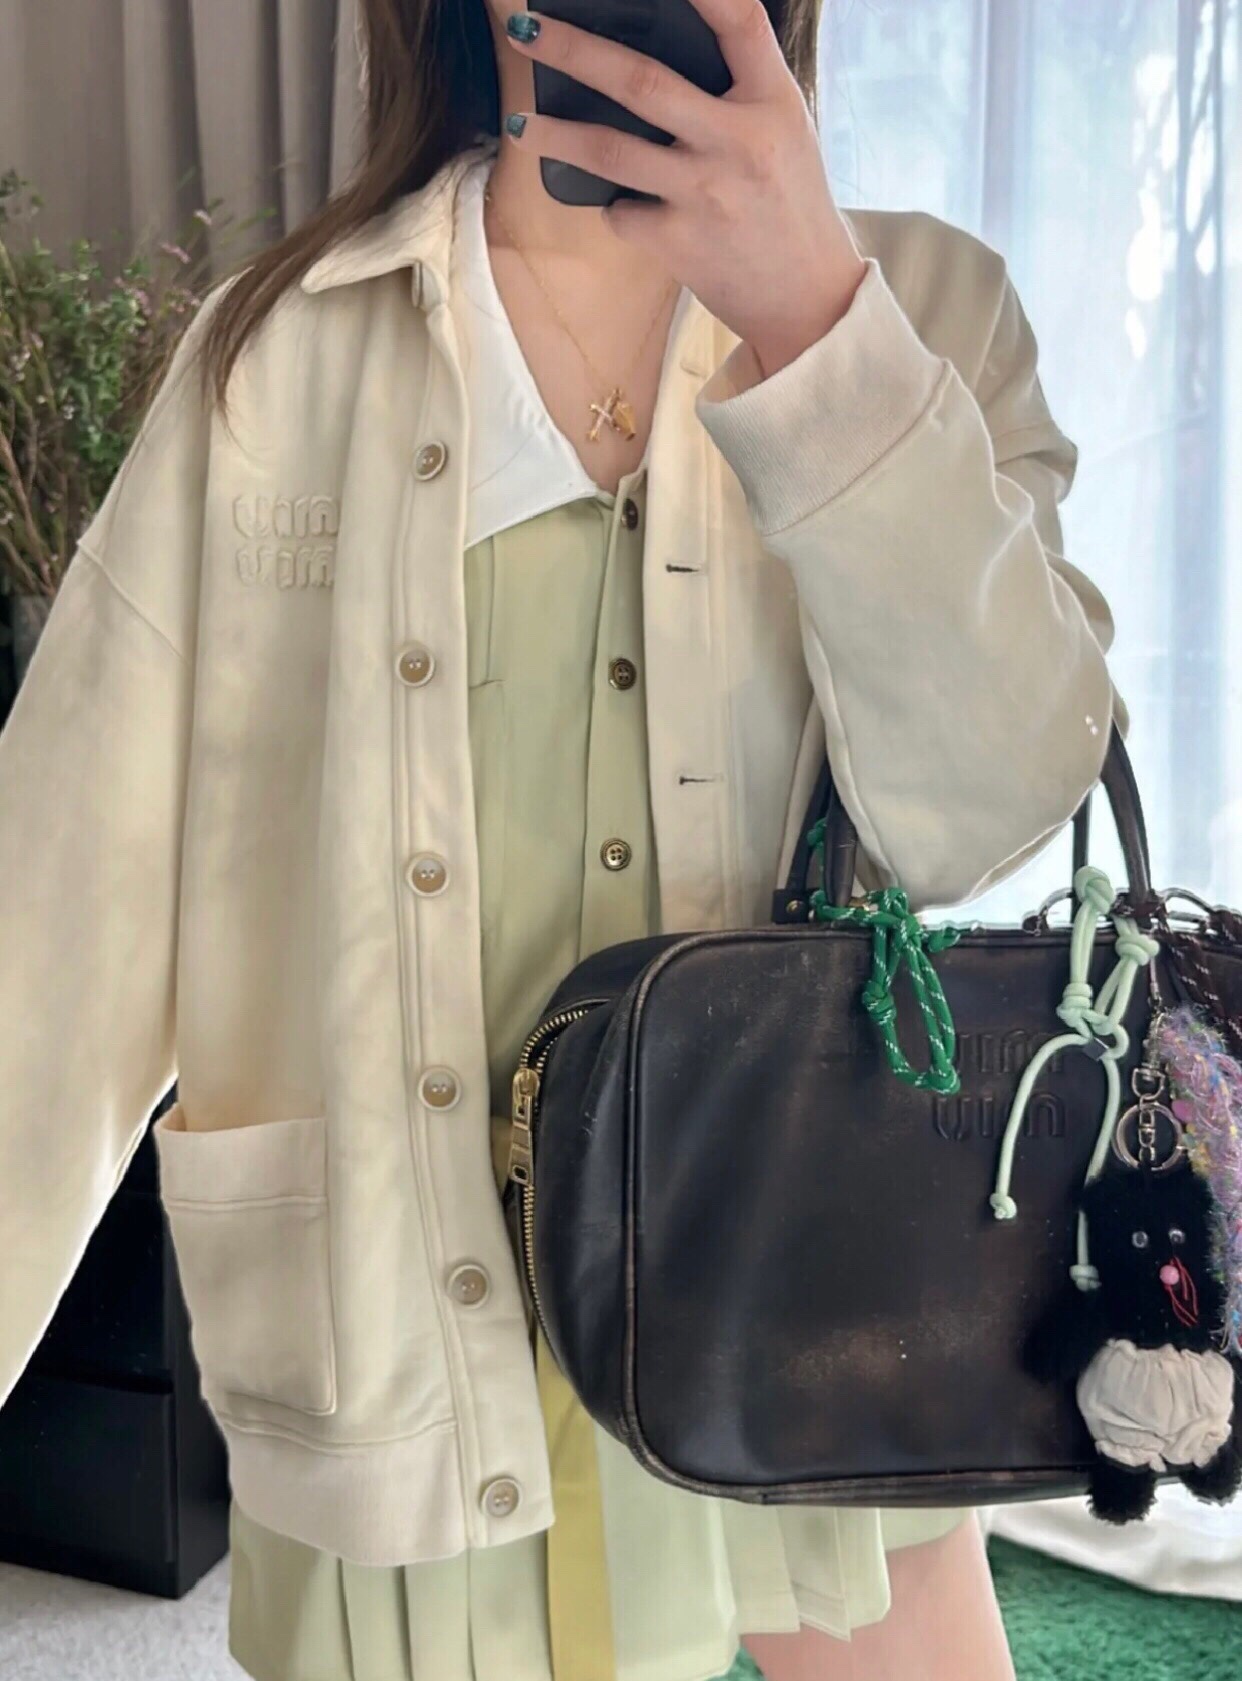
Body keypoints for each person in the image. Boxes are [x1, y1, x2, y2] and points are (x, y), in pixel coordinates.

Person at [0, 0, 1123, 1677]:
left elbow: (993, 803)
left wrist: (813, 324)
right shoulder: (280, 358)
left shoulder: (921, 307)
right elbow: (52, 922)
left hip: (802, 1296)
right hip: (404, 1322)